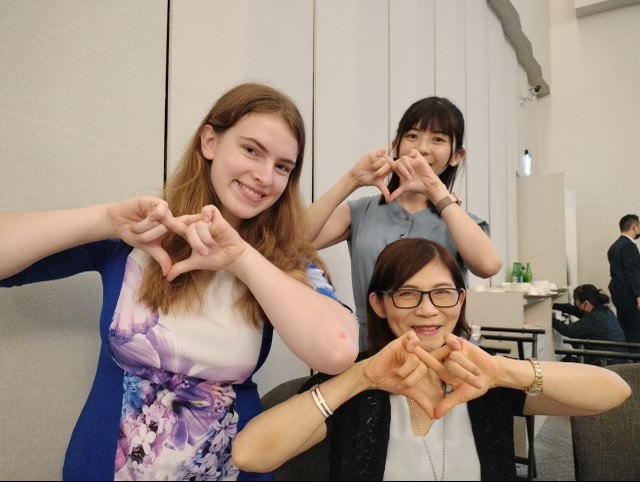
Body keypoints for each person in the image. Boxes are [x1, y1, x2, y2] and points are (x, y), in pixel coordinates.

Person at [0, 82, 358, 481]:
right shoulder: (140, 234)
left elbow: (339, 350)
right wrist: (103, 220)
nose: (264, 177)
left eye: (282, 167)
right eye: (251, 150)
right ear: (210, 141)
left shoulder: (281, 263)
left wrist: (241, 257)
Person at [232, 238, 631, 481]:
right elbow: (250, 454)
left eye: (443, 293)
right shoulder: (360, 382)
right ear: (380, 304)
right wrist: (359, 378)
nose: (428, 310)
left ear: (461, 300)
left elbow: (614, 392)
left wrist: (503, 371)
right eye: (407, 293)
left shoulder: (481, 378)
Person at [305, 96, 502, 348]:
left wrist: (436, 191)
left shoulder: (462, 221)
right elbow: (291, 241)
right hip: (370, 353)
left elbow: (488, 265)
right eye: (412, 136)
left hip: (440, 354)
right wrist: (352, 179)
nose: (422, 148)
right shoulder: (361, 211)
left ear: (456, 156)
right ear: (395, 145)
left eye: (438, 139)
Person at [552, 284, 626, 365]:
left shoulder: (595, 319)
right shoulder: (604, 311)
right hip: (616, 358)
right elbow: (575, 310)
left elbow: (568, 330)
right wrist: (553, 305)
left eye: (577, 304)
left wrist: (551, 320)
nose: (576, 307)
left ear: (586, 303)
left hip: (607, 362)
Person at [607, 214, 640, 346]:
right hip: (630, 296)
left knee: (626, 329)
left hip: (619, 294)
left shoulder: (614, 246)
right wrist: (638, 295)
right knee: (636, 332)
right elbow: (632, 272)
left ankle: (629, 361)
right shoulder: (629, 246)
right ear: (634, 227)